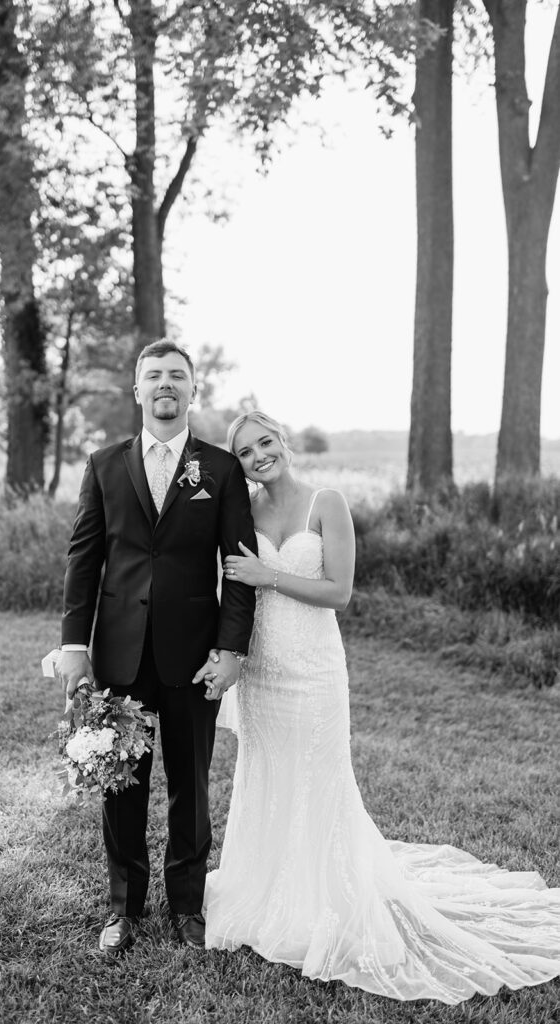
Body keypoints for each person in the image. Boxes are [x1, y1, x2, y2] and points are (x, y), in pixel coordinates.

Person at [203, 410, 560, 1003]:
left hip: (314, 669)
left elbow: (339, 593)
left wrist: (269, 573)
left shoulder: (327, 502)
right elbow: (232, 589)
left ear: (283, 442)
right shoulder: (244, 512)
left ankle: (321, 898)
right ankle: (264, 888)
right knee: (267, 774)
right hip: (263, 670)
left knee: (320, 778)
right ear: (238, 462)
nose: (259, 455)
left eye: (265, 442)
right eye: (245, 452)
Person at [58, 341, 256, 958]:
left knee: (191, 787)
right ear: (137, 391)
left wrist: (231, 650)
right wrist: (72, 645)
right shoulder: (104, 464)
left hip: (194, 657)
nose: (165, 385)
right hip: (118, 654)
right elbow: (84, 559)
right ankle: (123, 910)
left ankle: (188, 907)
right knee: (122, 788)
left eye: (177, 376)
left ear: (193, 392)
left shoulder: (221, 471)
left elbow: (239, 567)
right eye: (154, 377)